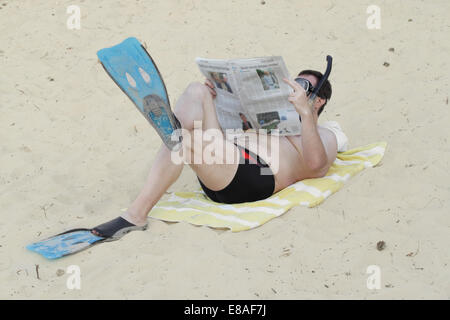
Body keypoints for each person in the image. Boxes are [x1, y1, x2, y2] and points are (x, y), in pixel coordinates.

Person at [91, 69, 340, 239]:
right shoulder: (273, 117)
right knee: (197, 90)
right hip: (225, 159)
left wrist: (305, 115)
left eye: (304, 87)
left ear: (318, 101)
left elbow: (316, 166)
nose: (295, 90)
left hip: (255, 176)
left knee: (184, 139)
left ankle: (136, 214)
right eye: (294, 84)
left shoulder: (323, 135)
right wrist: (218, 98)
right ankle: (175, 129)